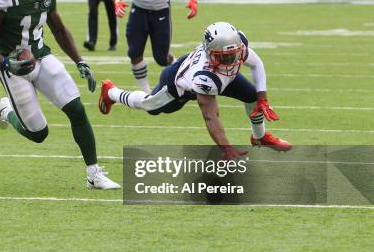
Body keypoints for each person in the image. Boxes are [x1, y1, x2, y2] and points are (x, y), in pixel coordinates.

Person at [0, 0, 120, 190]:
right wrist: (6, 63)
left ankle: (93, 174)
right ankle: (6, 110)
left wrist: (80, 60)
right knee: (39, 134)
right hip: (12, 67)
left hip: (41, 56)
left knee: (76, 108)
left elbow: (57, 27)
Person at [98, 22, 292, 159]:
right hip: (180, 83)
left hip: (219, 77)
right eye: (223, 57)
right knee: (150, 105)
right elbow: (210, 115)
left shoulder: (237, 45)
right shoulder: (204, 76)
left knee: (252, 96)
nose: (230, 61)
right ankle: (111, 92)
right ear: (210, 53)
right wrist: (226, 148)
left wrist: (263, 98)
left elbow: (256, 64)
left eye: (233, 55)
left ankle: (259, 137)